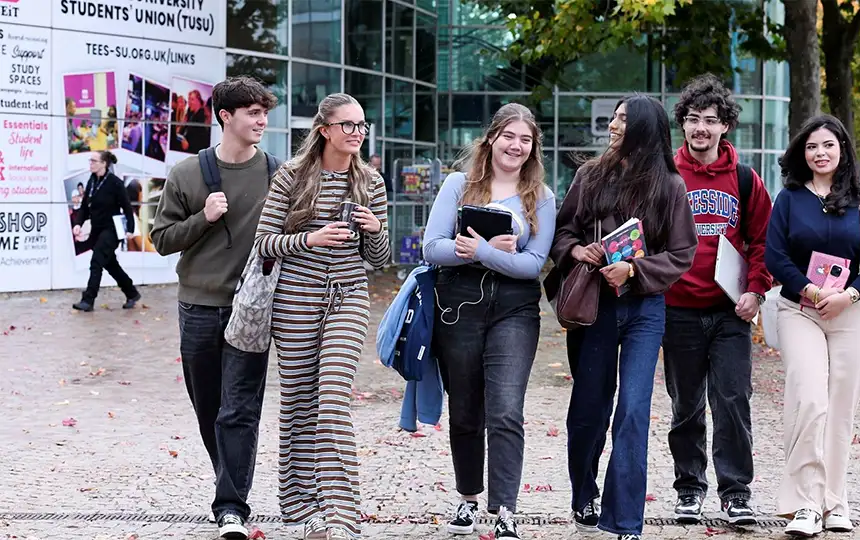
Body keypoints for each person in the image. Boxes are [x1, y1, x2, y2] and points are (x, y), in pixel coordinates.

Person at [549, 95, 697, 540]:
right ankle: (584, 494)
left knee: (633, 410)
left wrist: (635, 268)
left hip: (644, 309)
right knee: (591, 408)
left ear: (644, 130)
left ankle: (625, 521)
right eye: (614, 117)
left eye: (622, 119)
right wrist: (578, 250)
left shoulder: (670, 187)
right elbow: (563, 231)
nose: (613, 125)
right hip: (595, 305)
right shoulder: (590, 176)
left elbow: (682, 253)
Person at [255, 93, 390, 540]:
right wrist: (310, 240)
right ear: (324, 129)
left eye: (362, 125)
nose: (356, 132)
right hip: (295, 296)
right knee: (297, 402)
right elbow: (265, 243)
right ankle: (299, 506)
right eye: (348, 125)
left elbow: (380, 258)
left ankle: (341, 515)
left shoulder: (371, 181)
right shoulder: (291, 177)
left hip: (348, 295)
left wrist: (374, 231)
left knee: (332, 400)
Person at [150, 76, 279, 540]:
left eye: (265, 111)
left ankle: (230, 508)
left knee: (238, 411)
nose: (262, 120)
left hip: (252, 310)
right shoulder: (187, 174)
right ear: (225, 116)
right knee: (209, 409)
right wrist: (203, 218)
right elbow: (161, 240)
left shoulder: (276, 174)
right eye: (252, 112)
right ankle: (230, 486)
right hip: (199, 307)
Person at [423, 103, 556, 540]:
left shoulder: (543, 196)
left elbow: (533, 264)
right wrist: (471, 249)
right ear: (492, 138)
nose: (516, 146)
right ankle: (468, 499)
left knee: (505, 410)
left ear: (533, 147)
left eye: (526, 140)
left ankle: (505, 511)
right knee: (464, 410)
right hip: (457, 306)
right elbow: (431, 247)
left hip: (515, 309)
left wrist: (482, 251)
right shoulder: (459, 184)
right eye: (509, 136)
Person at [765, 114, 860, 537]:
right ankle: (804, 505)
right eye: (812, 147)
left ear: (842, 150)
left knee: (840, 412)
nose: (820, 153)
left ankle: (834, 502)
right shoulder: (789, 199)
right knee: (809, 400)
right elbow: (775, 257)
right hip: (800, 309)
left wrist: (849, 295)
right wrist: (812, 292)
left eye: (828, 145)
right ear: (803, 153)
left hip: (851, 312)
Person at [661, 73, 773, 525]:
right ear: (683, 124)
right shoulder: (665, 174)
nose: (700, 128)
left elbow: (764, 241)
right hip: (678, 309)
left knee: (732, 399)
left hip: (730, 311)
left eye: (710, 120)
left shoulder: (746, 180)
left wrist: (756, 291)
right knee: (685, 405)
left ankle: (736, 492)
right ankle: (689, 488)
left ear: (725, 125)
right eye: (692, 119)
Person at [71, 150, 140, 312]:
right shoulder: (92, 181)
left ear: (104, 164)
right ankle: (131, 293)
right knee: (111, 264)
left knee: (96, 262)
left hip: (112, 230)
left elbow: (127, 207)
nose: (91, 163)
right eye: (90, 160)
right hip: (97, 229)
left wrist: (130, 229)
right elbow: (84, 207)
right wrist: (78, 223)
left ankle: (88, 300)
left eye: (94, 161)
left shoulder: (114, 183)